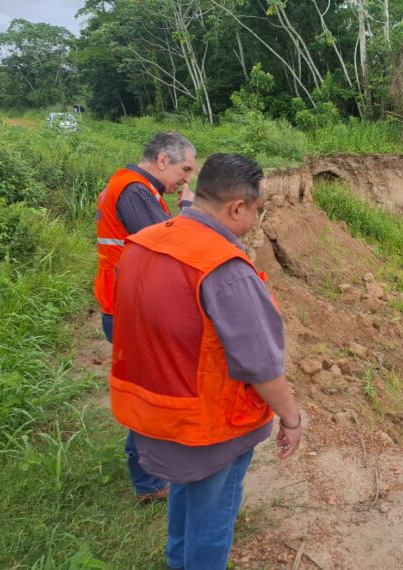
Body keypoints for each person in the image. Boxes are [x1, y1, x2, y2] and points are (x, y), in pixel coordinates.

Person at [109, 153, 303, 570]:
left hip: (157, 411)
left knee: (185, 493)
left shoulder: (145, 242)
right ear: (237, 207)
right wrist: (291, 418)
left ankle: (177, 562)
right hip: (210, 425)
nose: (254, 221)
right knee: (212, 521)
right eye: (256, 210)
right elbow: (261, 365)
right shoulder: (224, 269)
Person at [93, 131, 196, 501]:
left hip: (128, 302)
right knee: (146, 394)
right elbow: (165, 245)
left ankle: (153, 474)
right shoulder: (134, 190)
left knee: (149, 390)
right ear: (163, 160)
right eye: (185, 169)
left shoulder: (139, 189)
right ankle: (150, 483)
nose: (187, 178)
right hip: (127, 307)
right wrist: (188, 209)